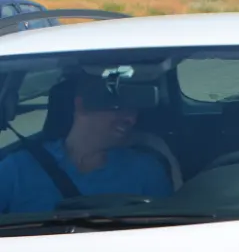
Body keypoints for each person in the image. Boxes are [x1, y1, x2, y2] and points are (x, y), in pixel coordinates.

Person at [0, 74, 171, 213]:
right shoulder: (16, 169)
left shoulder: (146, 169)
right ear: (81, 106)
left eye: (134, 111)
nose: (131, 119)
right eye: (118, 108)